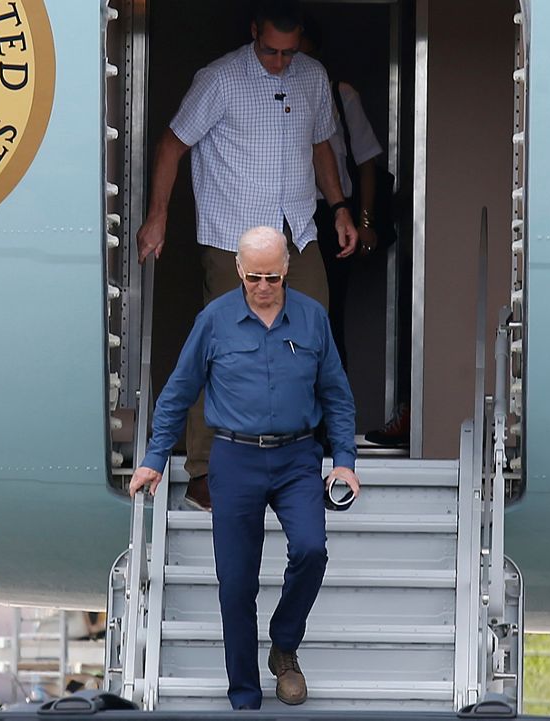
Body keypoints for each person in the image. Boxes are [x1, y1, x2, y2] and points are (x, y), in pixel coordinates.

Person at [136, 0, 358, 512]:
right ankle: (204, 472)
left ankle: (309, 459)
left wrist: (341, 208)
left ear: (300, 37)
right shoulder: (219, 79)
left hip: (297, 233)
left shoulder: (312, 76)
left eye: (289, 51)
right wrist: (159, 216)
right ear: (253, 31)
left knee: (312, 338)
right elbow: (172, 144)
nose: (280, 61)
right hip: (232, 237)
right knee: (222, 349)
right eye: (269, 51)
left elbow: (322, 146)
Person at [130, 227, 361, 710]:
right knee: (236, 583)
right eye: (254, 276)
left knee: (312, 550)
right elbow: (178, 391)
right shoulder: (214, 321)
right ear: (238, 269)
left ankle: (283, 643)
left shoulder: (312, 319)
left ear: (286, 270)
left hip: (298, 457)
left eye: (272, 277)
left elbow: (337, 396)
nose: (262, 286)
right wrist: (154, 459)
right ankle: (245, 699)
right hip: (234, 459)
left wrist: (344, 462)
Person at [301, 18, 385, 371]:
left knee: (329, 316)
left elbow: (366, 161)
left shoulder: (339, 94)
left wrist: (363, 220)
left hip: (333, 215)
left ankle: (330, 422)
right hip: (287, 214)